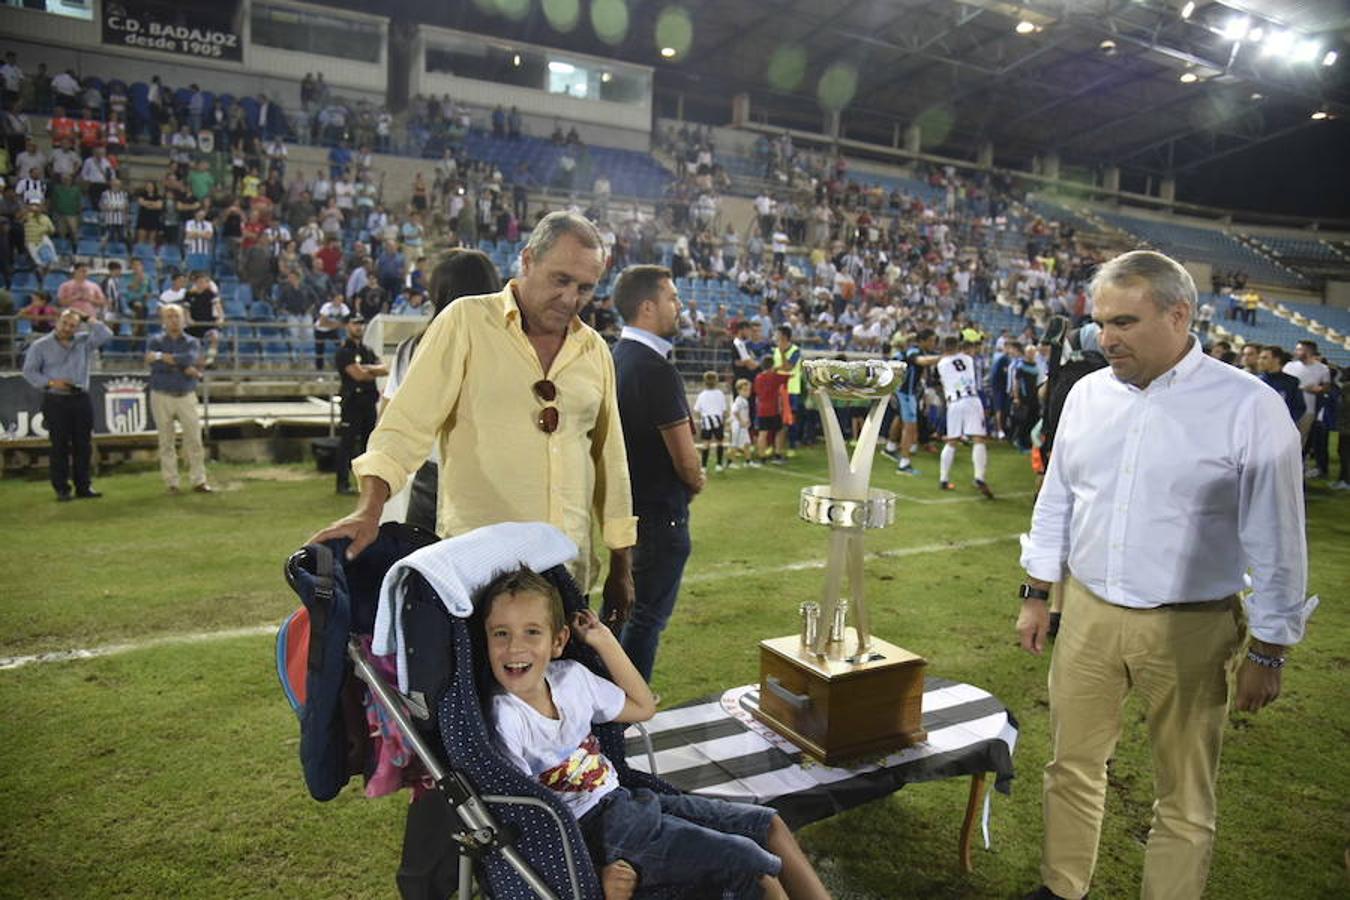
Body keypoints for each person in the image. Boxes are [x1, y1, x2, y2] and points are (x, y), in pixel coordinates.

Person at [1016, 251, 1309, 900]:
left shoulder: (1248, 407)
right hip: (1088, 613)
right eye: (1100, 323)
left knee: (1183, 791)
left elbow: (1278, 541)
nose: (1107, 338)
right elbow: (1058, 498)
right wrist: (1037, 593)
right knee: (1071, 766)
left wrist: (1271, 648)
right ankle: (1062, 889)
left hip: (1193, 626)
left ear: (1180, 315)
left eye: (1125, 321)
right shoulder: (1088, 393)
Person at [309, 212, 637, 619]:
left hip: (568, 579)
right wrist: (369, 508)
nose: (571, 299)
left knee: (567, 685)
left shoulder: (594, 351)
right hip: (478, 579)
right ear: (528, 260)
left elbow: (611, 461)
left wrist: (621, 562)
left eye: (585, 288)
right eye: (561, 280)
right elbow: (405, 425)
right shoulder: (466, 321)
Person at [480, 567, 831, 900]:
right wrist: (595, 872)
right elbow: (527, 824)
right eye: (501, 633)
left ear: (558, 642)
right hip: (599, 833)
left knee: (770, 827)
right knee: (750, 863)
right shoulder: (504, 720)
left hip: (630, 801)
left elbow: (643, 706)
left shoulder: (571, 678)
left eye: (531, 632)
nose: (514, 647)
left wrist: (603, 641)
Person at [609, 265, 704, 681]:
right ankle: (625, 709)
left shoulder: (615, 358)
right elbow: (685, 459)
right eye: (672, 298)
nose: (678, 306)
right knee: (646, 619)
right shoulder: (655, 368)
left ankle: (601, 706)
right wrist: (696, 481)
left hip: (627, 508)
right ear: (647, 307)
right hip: (661, 513)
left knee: (618, 614)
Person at [378, 248, 501, 531]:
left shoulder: (412, 348)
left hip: (430, 477)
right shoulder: (514, 349)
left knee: (427, 569)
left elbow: (387, 420)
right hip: (491, 480)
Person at [21, 309, 113, 501]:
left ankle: (83, 486)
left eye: (72, 325)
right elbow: (29, 372)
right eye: (64, 323)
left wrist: (88, 317)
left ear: (78, 327)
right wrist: (51, 383)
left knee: (83, 445)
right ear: (57, 322)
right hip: (56, 400)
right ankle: (62, 489)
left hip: (80, 398)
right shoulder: (40, 345)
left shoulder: (83, 342)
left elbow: (106, 334)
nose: (67, 328)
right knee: (59, 446)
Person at [146, 305, 211, 493]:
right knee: (166, 440)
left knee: (194, 438)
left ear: (183, 319)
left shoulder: (191, 342)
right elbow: (153, 364)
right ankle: (171, 482)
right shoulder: (155, 340)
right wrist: (182, 367)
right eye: (169, 316)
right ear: (164, 320)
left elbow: (189, 359)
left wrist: (163, 358)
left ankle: (199, 480)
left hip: (185, 394)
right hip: (161, 394)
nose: (173, 320)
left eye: (177, 316)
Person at [333, 314, 388, 495]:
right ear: (347, 326)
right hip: (352, 402)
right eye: (355, 324)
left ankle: (366, 483)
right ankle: (342, 483)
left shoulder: (367, 350)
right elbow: (358, 375)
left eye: (361, 324)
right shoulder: (344, 352)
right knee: (347, 443)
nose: (359, 327)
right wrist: (371, 370)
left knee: (368, 444)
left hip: (368, 401)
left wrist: (367, 368)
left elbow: (385, 369)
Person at [934, 336, 994, 496]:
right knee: (979, 438)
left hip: (953, 402)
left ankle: (944, 479)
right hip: (972, 399)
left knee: (952, 441)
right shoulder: (968, 359)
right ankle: (979, 477)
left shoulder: (941, 364)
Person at [882, 328, 937, 475]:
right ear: (922, 341)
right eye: (931, 340)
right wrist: (943, 357)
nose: (933, 343)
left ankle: (890, 448)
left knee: (900, 419)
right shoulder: (914, 351)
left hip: (903, 391)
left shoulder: (913, 350)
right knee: (910, 427)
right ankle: (904, 464)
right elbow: (921, 361)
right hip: (905, 393)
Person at [1256, 345, 1306, 423]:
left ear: (1277, 360)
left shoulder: (1292, 382)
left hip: (1280, 428)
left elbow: (1299, 407)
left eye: (1264, 358)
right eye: (1259, 358)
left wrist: (1288, 423)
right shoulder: (1256, 381)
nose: (1260, 361)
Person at [694, 370, 728, 473]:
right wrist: (725, 421)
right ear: (716, 381)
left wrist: (701, 419)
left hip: (706, 420)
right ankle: (718, 464)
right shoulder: (720, 394)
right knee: (720, 442)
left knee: (706, 443)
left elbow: (696, 410)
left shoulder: (702, 395)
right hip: (717, 419)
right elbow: (724, 410)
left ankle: (704, 466)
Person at [729, 377, 754, 467]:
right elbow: (735, 412)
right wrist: (741, 421)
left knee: (747, 443)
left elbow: (745, 413)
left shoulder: (745, 401)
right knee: (735, 444)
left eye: (748, 390)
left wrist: (748, 421)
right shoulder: (738, 400)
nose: (747, 392)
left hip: (743, 426)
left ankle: (748, 461)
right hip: (738, 425)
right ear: (739, 391)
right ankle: (731, 462)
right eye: (745, 390)